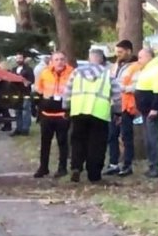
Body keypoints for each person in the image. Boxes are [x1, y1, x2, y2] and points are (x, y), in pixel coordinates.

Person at [63, 49, 121, 183]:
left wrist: (66, 108)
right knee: (97, 144)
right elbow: (117, 95)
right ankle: (94, 174)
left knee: (78, 141)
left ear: (89, 59)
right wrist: (118, 112)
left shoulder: (76, 72)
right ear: (101, 59)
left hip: (78, 111)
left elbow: (67, 91)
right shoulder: (108, 74)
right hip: (99, 113)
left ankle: (76, 167)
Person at [33, 51, 75, 178]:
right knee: (45, 142)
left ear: (66, 60)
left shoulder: (72, 73)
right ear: (51, 61)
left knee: (63, 142)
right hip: (47, 113)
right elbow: (38, 90)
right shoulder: (45, 73)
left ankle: (62, 168)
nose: (59, 62)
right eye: (56, 59)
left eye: (62, 59)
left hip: (63, 113)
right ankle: (43, 167)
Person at [104, 40, 141, 177]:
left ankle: (127, 165)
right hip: (114, 104)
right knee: (112, 135)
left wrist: (124, 88)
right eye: (116, 52)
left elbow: (138, 84)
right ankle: (113, 164)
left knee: (126, 136)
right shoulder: (115, 65)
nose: (117, 55)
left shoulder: (136, 66)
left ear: (129, 51)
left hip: (127, 105)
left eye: (120, 52)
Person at [134, 47, 158, 178]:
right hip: (146, 112)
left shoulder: (157, 70)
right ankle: (152, 165)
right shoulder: (147, 70)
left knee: (156, 140)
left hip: (155, 112)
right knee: (149, 140)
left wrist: (155, 108)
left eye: (141, 57)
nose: (139, 60)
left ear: (149, 57)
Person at [11, 52, 35, 136]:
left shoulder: (28, 69)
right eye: (17, 58)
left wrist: (26, 82)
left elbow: (32, 80)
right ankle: (18, 128)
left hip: (25, 92)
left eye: (20, 58)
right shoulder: (13, 69)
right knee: (17, 111)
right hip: (16, 92)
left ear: (23, 59)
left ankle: (25, 129)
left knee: (25, 111)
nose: (18, 60)